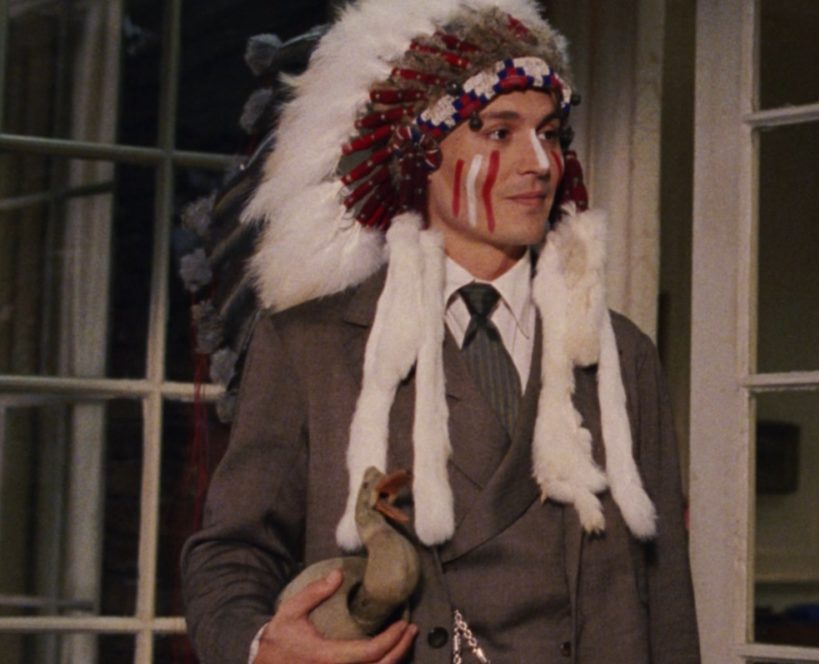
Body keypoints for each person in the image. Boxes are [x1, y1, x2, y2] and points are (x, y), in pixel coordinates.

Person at [180, 1, 699, 663]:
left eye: (551, 134)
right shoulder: (312, 348)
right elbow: (231, 552)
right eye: (500, 132)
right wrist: (262, 647)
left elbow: (666, 595)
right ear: (421, 151)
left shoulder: (621, 354)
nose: (540, 162)